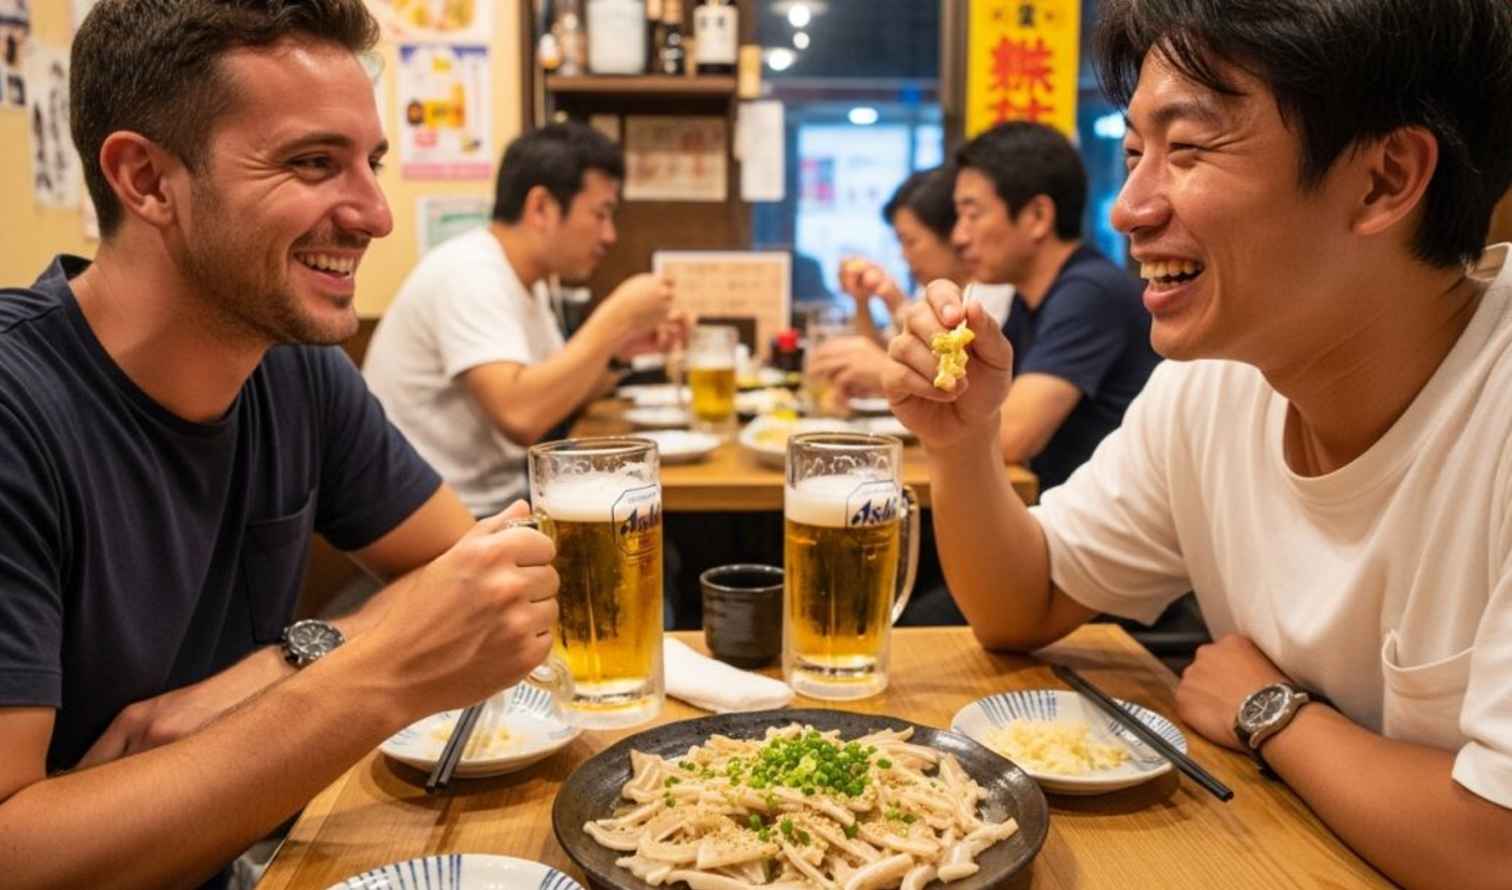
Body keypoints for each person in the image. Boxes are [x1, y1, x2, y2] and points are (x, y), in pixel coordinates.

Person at [882, 0, 1512, 886]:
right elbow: (1024, 601)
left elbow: (1494, 846)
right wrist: (963, 440)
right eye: (1134, 152)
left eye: (1188, 149)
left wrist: (1271, 714)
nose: (1129, 208)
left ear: (1383, 180)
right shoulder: (1219, 379)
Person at [0, 3, 562, 888]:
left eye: (372, 163)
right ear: (146, 180)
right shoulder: (17, 410)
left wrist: (288, 660)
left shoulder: (292, 366)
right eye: (312, 163)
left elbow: (475, 585)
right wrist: (378, 669)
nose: (376, 214)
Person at [363, 123, 685, 518]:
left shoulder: (527, 281)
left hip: (498, 503)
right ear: (541, 207)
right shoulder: (469, 272)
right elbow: (521, 417)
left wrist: (618, 356)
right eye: (601, 214)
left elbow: (556, 397)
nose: (609, 236)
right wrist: (616, 317)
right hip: (442, 517)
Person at [953, 121, 1160, 492]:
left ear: (1037, 216)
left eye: (973, 214)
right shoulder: (1030, 298)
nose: (959, 236)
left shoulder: (1090, 292)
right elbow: (984, 405)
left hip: (1103, 519)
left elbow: (1011, 437)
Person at [810, 166, 971, 399]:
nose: (903, 255)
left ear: (953, 233)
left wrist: (885, 370)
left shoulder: (988, 297)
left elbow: (959, 395)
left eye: (910, 241)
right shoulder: (932, 292)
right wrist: (863, 301)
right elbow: (878, 361)